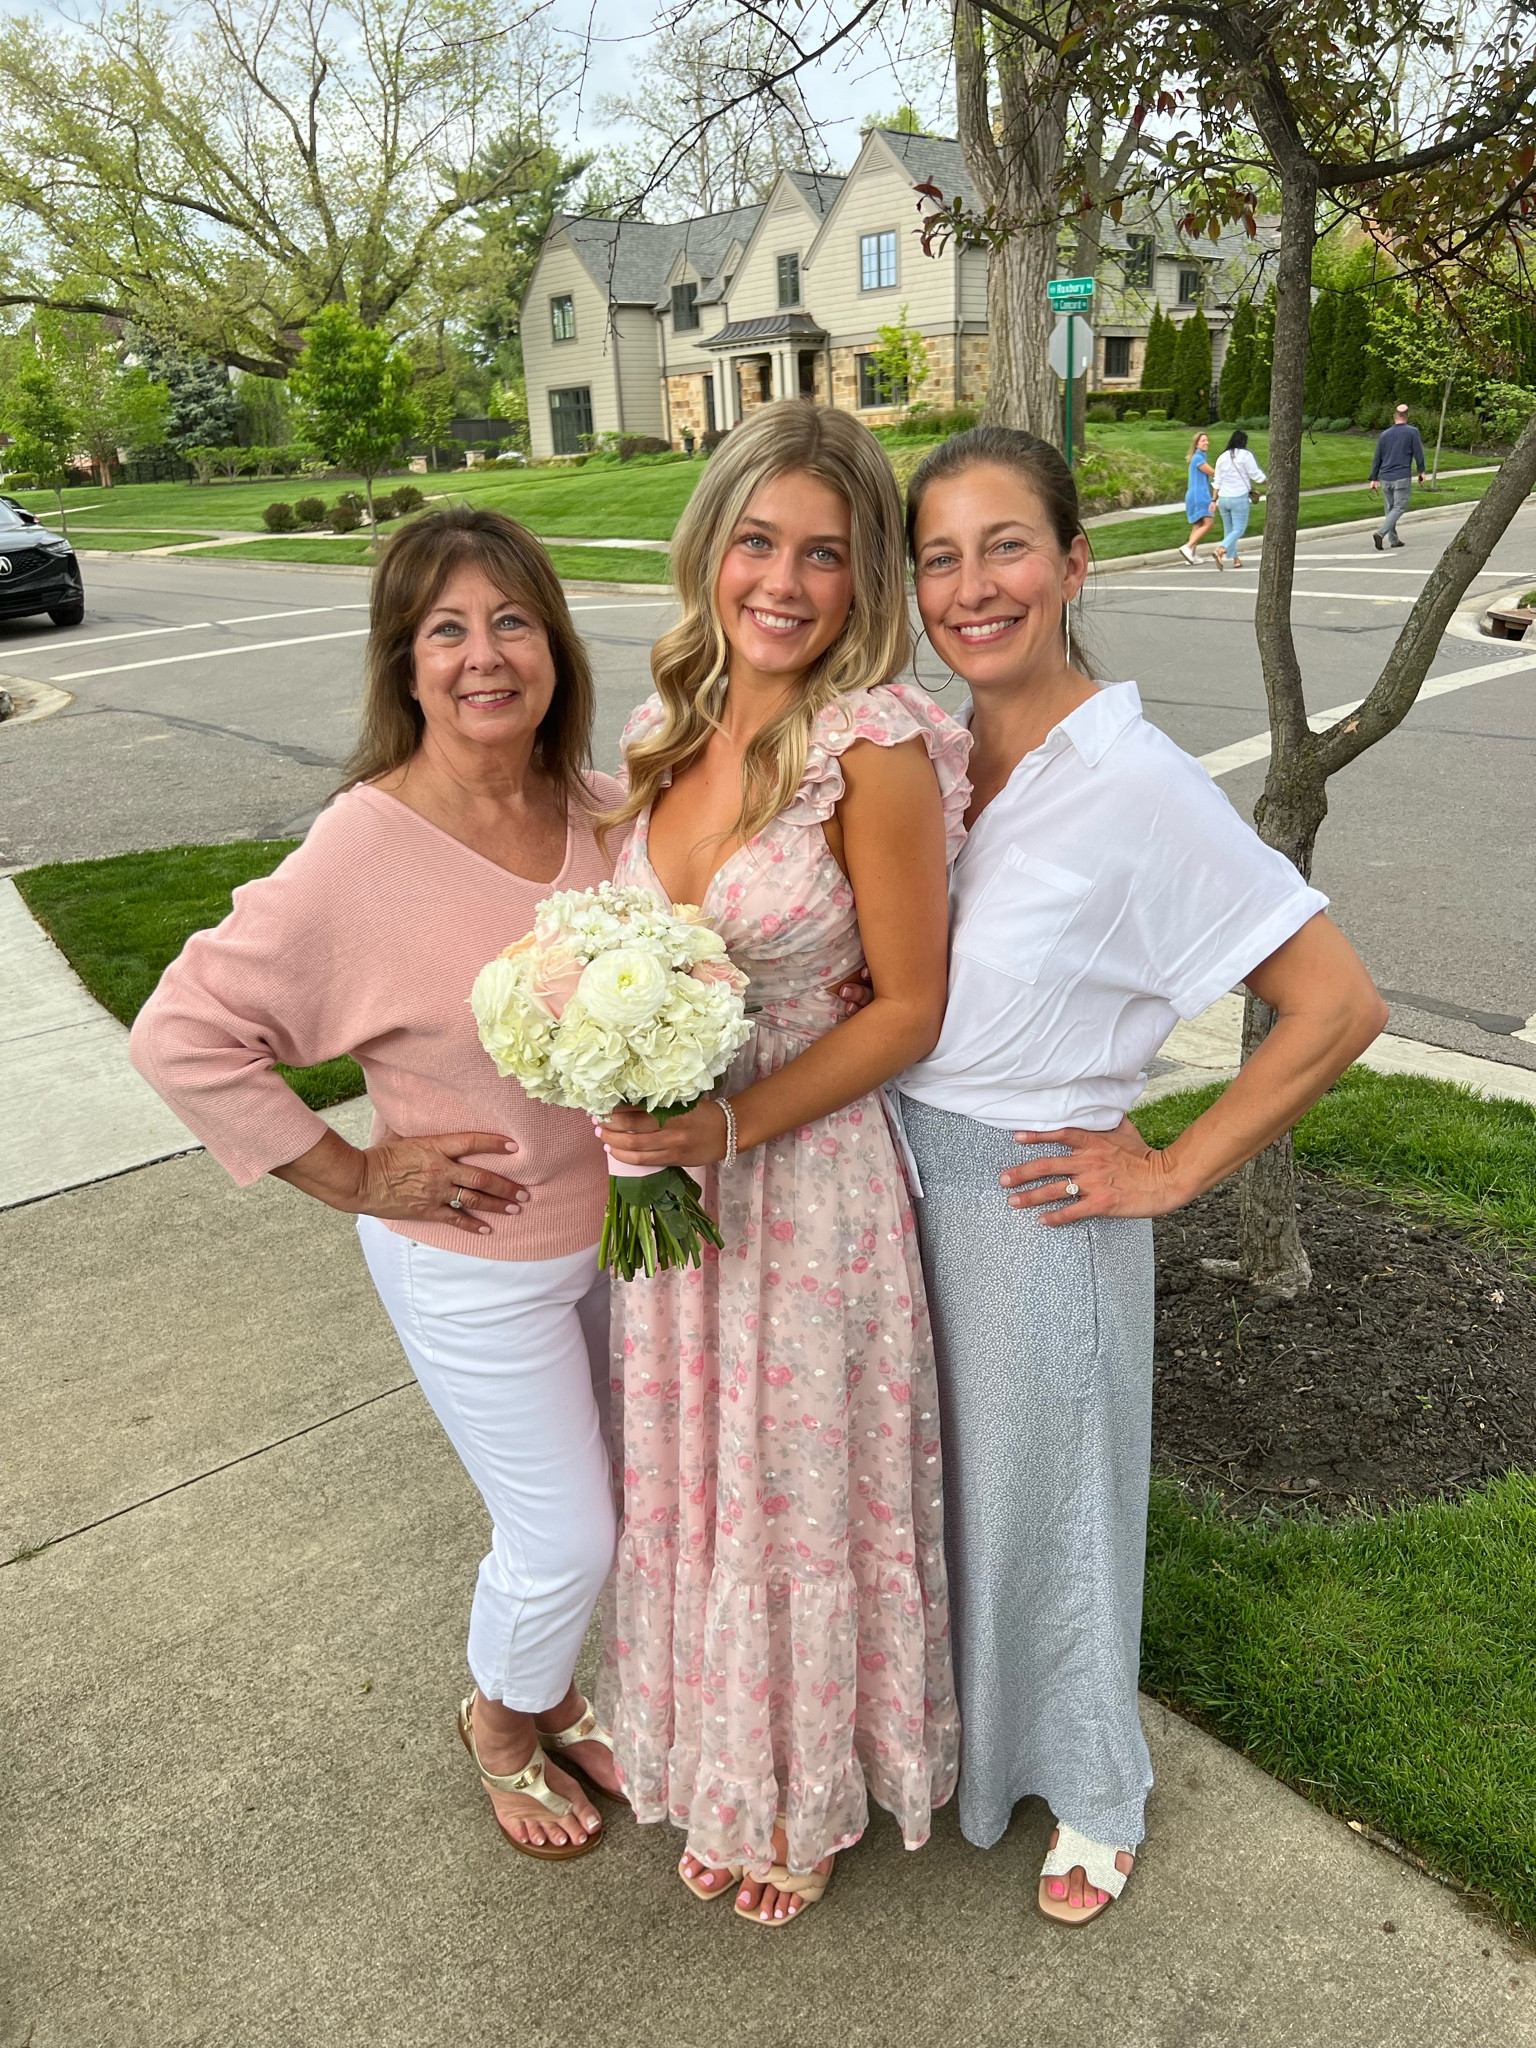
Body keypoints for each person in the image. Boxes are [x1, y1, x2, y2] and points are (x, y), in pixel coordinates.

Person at [894, 426, 1386, 1925]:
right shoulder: (922, 744)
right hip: (898, 1177)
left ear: (1076, 560)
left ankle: (1097, 1784)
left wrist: (1173, 1170)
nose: (973, 586)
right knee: (939, 1503)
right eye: (939, 557)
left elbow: (1338, 1005)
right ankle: (967, 1742)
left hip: (1039, 1197)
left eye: (1007, 547)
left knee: (1055, 1506)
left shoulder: (1141, 783)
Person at [130, 507, 627, 1864]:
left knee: (623, 1504)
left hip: (625, 1234)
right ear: (402, 664)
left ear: (555, 643)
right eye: (446, 630)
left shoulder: (597, 806)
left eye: (512, 619)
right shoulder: (362, 848)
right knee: (564, 1538)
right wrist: (351, 1169)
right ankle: (499, 1724)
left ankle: (560, 1690)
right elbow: (180, 1032)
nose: (484, 655)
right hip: (472, 1258)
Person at [594, 400, 967, 1925]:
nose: (787, 583)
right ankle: (719, 1751)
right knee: (699, 1486)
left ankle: (801, 1790)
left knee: (802, 1496)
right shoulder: (664, 723)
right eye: (759, 541)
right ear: (714, 545)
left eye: (827, 553)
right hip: (674, 1191)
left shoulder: (873, 750)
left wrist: (730, 1122)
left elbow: (914, 1010)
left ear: (865, 573)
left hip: (804, 1186)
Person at [1369, 402, 1428, 550]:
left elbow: (1377, 457)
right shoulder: (1412, 432)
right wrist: (1421, 471)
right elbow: (1418, 453)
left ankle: (1394, 540)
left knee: (1390, 509)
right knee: (1399, 508)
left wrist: (1374, 478)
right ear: (1407, 417)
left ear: (1394, 417)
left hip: (1385, 477)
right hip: (1401, 476)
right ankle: (1380, 533)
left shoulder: (1384, 434)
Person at [1211, 427, 1267, 568]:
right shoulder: (1245, 455)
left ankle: (1235, 559)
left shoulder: (1222, 457)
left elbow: (1217, 481)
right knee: (1239, 529)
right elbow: (1255, 474)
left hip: (1223, 498)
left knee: (1229, 530)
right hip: (1239, 497)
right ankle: (1220, 549)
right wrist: (1268, 482)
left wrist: (1213, 499)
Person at [1178, 430, 1216, 565]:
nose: (1206, 442)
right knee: (1209, 523)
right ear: (1196, 444)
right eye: (1203, 441)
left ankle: (1191, 555)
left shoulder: (1197, 457)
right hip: (1200, 495)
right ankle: (1188, 547)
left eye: (1207, 440)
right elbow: (1212, 472)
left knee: (1198, 523)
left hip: (1193, 495)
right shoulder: (1198, 458)